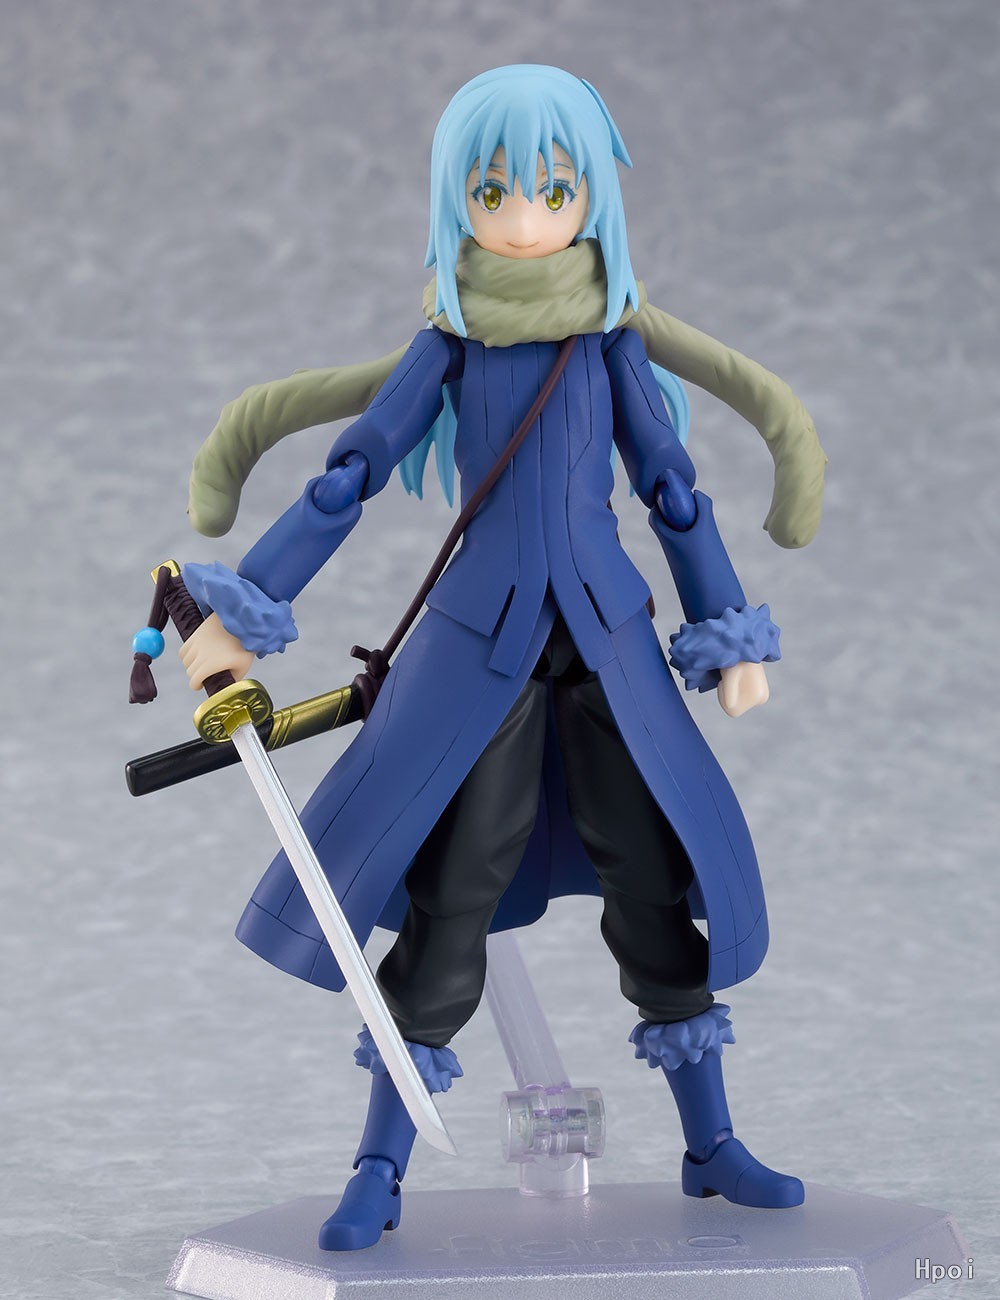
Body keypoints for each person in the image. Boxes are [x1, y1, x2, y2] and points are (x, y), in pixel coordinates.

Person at [179, 64, 826, 1251]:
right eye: (493, 193)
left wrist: (725, 629)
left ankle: (710, 1142)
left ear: (592, 200)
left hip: (609, 646)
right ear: (455, 202)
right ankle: (379, 1163)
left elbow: (672, 490)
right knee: (450, 899)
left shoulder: (607, 344)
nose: (525, 219)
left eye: (552, 190)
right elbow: (351, 472)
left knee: (654, 883)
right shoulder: (453, 344)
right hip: (483, 647)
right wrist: (252, 602)